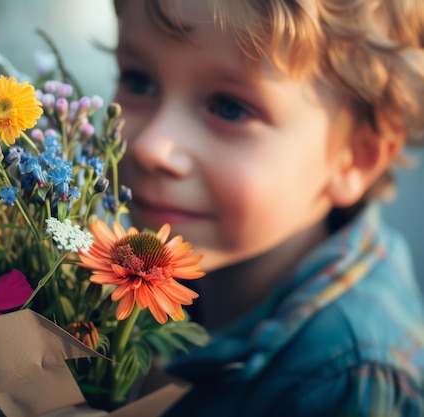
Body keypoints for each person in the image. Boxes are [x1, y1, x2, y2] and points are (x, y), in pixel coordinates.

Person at [112, 0, 424, 415]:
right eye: (138, 81)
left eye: (229, 107)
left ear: (357, 158)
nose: (152, 147)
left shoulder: (347, 380)